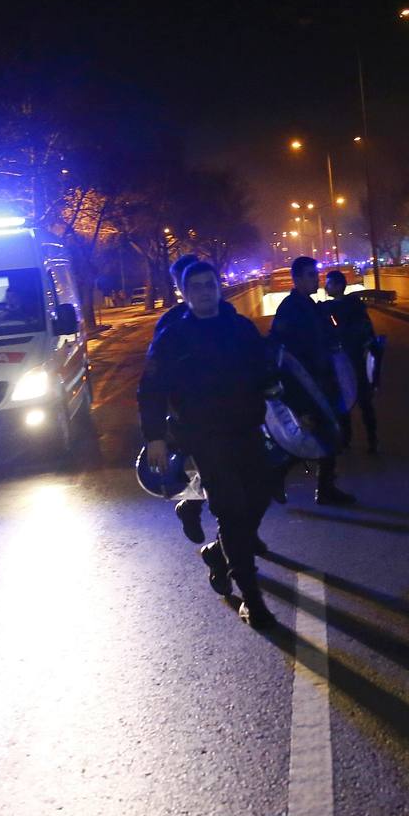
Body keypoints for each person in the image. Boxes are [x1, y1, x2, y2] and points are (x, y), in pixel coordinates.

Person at [138, 261, 278, 628]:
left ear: (219, 287)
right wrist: (154, 436)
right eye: (195, 286)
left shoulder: (240, 328)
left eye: (209, 284)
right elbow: (151, 388)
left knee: (261, 495)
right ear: (184, 293)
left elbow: (265, 369)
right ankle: (252, 599)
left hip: (246, 428)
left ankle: (218, 551)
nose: (204, 291)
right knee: (231, 511)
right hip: (204, 435)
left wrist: (278, 393)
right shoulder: (173, 337)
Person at [152, 254, 243, 544]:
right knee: (215, 477)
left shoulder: (226, 314)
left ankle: (236, 537)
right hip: (192, 418)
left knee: (238, 479)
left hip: (233, 413)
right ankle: (207, 523)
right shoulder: (170, 324)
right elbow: (156, 377)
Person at [270, 256, 355, 506]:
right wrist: (298, 403)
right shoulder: (290, 309)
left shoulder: (312, 306)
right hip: (307, 386)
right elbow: (283, 357)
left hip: (323, 382)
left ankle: (324, 488)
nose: (315, 279)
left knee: (331, 434)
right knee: (320, 435)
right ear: (296, 279)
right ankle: (281, 474)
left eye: (315, 274)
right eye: (309, 275)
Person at [321, 270, 378, 454]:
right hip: (357, 359)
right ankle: (372, 440)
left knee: (343, 402)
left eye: (329, 283)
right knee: (364, 403)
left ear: (338, 286)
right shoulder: (356, 305)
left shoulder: (330, 308)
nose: (325, 286)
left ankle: (346, 439)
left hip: (343, 361)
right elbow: (368, 331)